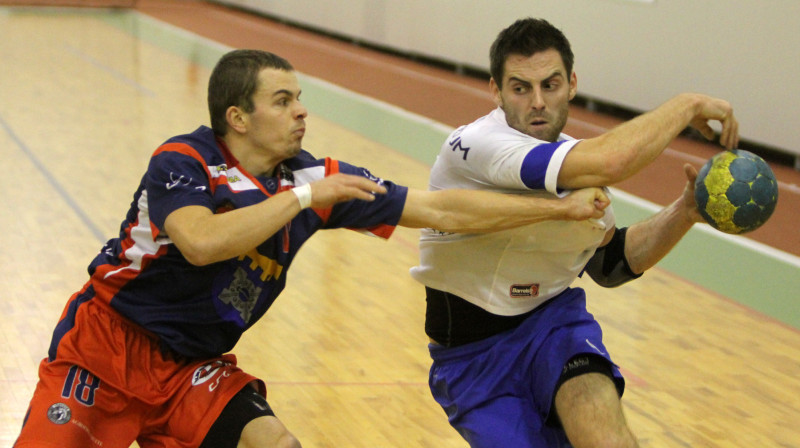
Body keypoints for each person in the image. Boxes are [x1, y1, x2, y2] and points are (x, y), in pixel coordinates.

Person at [14, 49, 610, 448]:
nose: (301, 110)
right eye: (282, 101)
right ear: (237, 118)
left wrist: (556, 208)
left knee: (276, 443)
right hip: (105, 348)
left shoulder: (314, 178)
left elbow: (441, 210)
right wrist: (303, 200)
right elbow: (200, 242)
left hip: (192, 365)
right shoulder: (184, 159)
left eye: (298, 97)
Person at [409, 18, 740, 448]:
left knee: (608, 439)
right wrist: (687, 105)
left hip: (554, 327)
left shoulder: (576, 163)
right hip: (473, 358)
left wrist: (684, 212)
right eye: (520, 88)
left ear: (572, 85)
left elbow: (610, 262)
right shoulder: (478, 145)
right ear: (496, 91)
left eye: (550, 85)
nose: (538, 102)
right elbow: (612, 161)